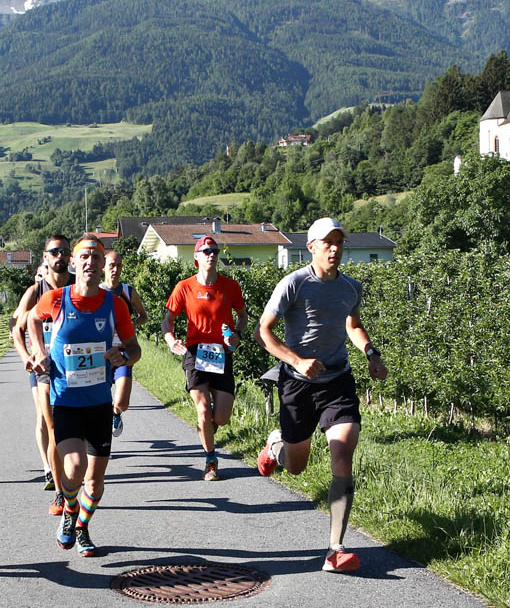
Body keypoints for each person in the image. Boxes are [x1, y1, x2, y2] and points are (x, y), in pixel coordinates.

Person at [254, 218, 388, 573]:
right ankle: (275, 447)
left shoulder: (351, 287)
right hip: (297, 384)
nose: (334, 249)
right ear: (311, 246)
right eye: (327, 243)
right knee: (296, 467)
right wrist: (296, 360)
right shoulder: (293, 284)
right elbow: (262, 332)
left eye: (339, 243)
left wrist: (371, 353)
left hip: (337, 382)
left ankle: (336, 549)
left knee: (342, 454)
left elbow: (353, 324)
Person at [26, 234, 140, 557]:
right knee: (73, 468)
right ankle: (69, 512)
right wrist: (38, 349)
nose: (90, 262)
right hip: (65, 401)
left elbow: (135, 348)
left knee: (95, 482)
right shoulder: (58, 299)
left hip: (100, 404)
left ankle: (82, 526)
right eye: (84, 257)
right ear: (74, 264)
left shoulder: (114, 304)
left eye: (96, 257)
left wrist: (124, 356)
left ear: (103, 265)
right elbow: (33, 319)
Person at [160, 235, 246, 481]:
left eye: (215, 251)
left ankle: (207, 427)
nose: (211, 255)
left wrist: (237, 335)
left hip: (221, 353)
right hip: (195, 352)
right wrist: (170, 340)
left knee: (221, 417)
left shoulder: (231, 286)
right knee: (202, 409)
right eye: (206, 251)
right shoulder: (184, 287)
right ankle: (211, 460)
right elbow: (168, 320)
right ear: (196, 257)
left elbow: (242, 316)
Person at [11, 234, 72, 515]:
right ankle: (58, 487)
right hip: (43, 367)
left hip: (75, 368)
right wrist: (28, 357)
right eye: (54, 252)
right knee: (51, 425)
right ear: (46, 258)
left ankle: (69, 475)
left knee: (73, 429)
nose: (59, 256)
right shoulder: (35, 291)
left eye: (64, 251)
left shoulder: (78, 286)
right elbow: (17, 329)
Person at [101, 249, 149, 437]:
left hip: (123, 351)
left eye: (119, 265)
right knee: (99, 401)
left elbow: (143, 316)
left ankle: (116, 413)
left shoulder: (129, 292)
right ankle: (101, 442)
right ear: (104, 267)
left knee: (121, 402)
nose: (115, 269)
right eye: (112, 265)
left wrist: (131, 324)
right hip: (101, 353)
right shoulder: (95, 292)